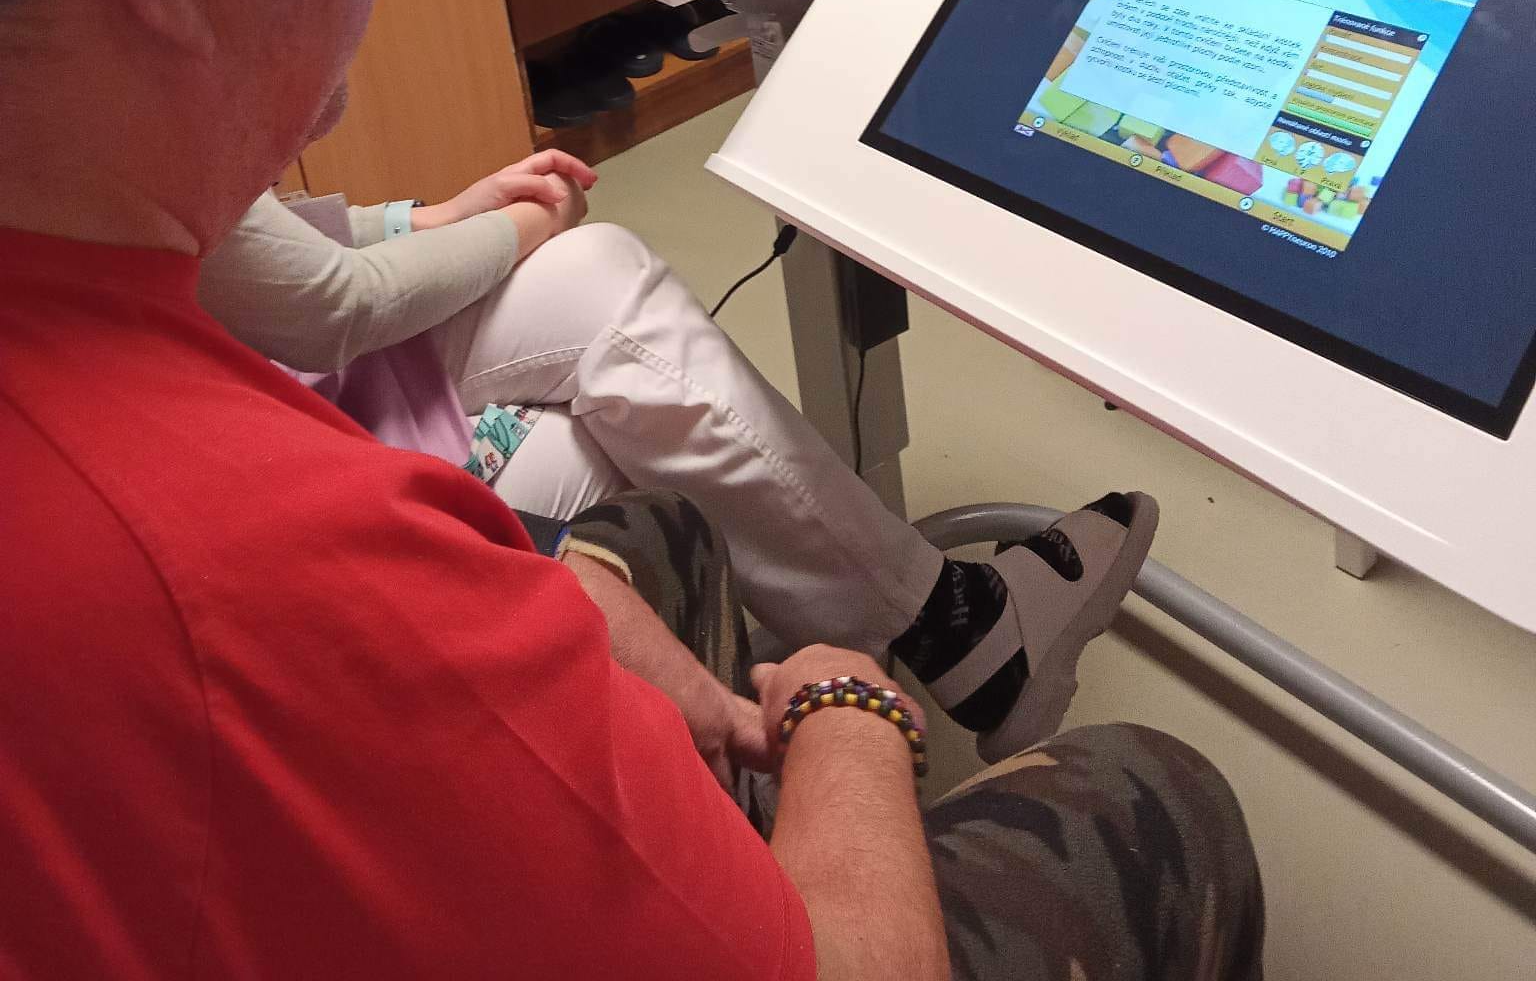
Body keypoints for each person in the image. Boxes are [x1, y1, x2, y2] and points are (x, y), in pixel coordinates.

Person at [0, 0, 1263, 979]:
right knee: (1166, 798)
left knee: (649, 515)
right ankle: (926, 648)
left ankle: (931, 628)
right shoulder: (291, 561)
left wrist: (583, 613)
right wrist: (845, 712)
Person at [204, 167, 1154, 758]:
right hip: (272, 479)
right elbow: (329, 305)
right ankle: (931, 639)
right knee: (609, 439)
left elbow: (239, 239)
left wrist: (418, 221)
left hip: (273, 389)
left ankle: (931, 623)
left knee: (599, 281)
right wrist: (523, 225)